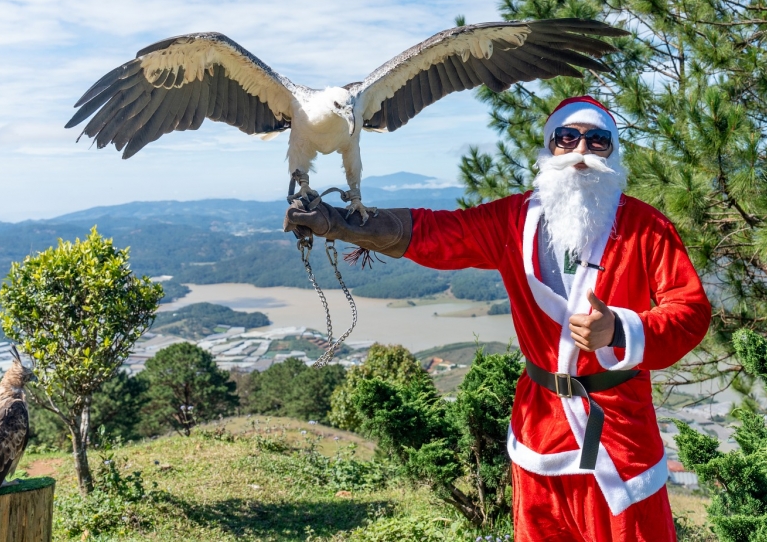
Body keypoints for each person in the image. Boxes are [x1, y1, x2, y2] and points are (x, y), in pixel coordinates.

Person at [284, 96, 711, 541]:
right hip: (541, 427)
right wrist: (338, 222)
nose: (581, 150)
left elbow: (691, 311)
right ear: (550, 148)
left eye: (597, 140)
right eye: (568, 138)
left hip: (620, 432)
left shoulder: (648, 228)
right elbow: (436, 233)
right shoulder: (513, 220)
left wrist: (620, 329)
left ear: (612, 151)